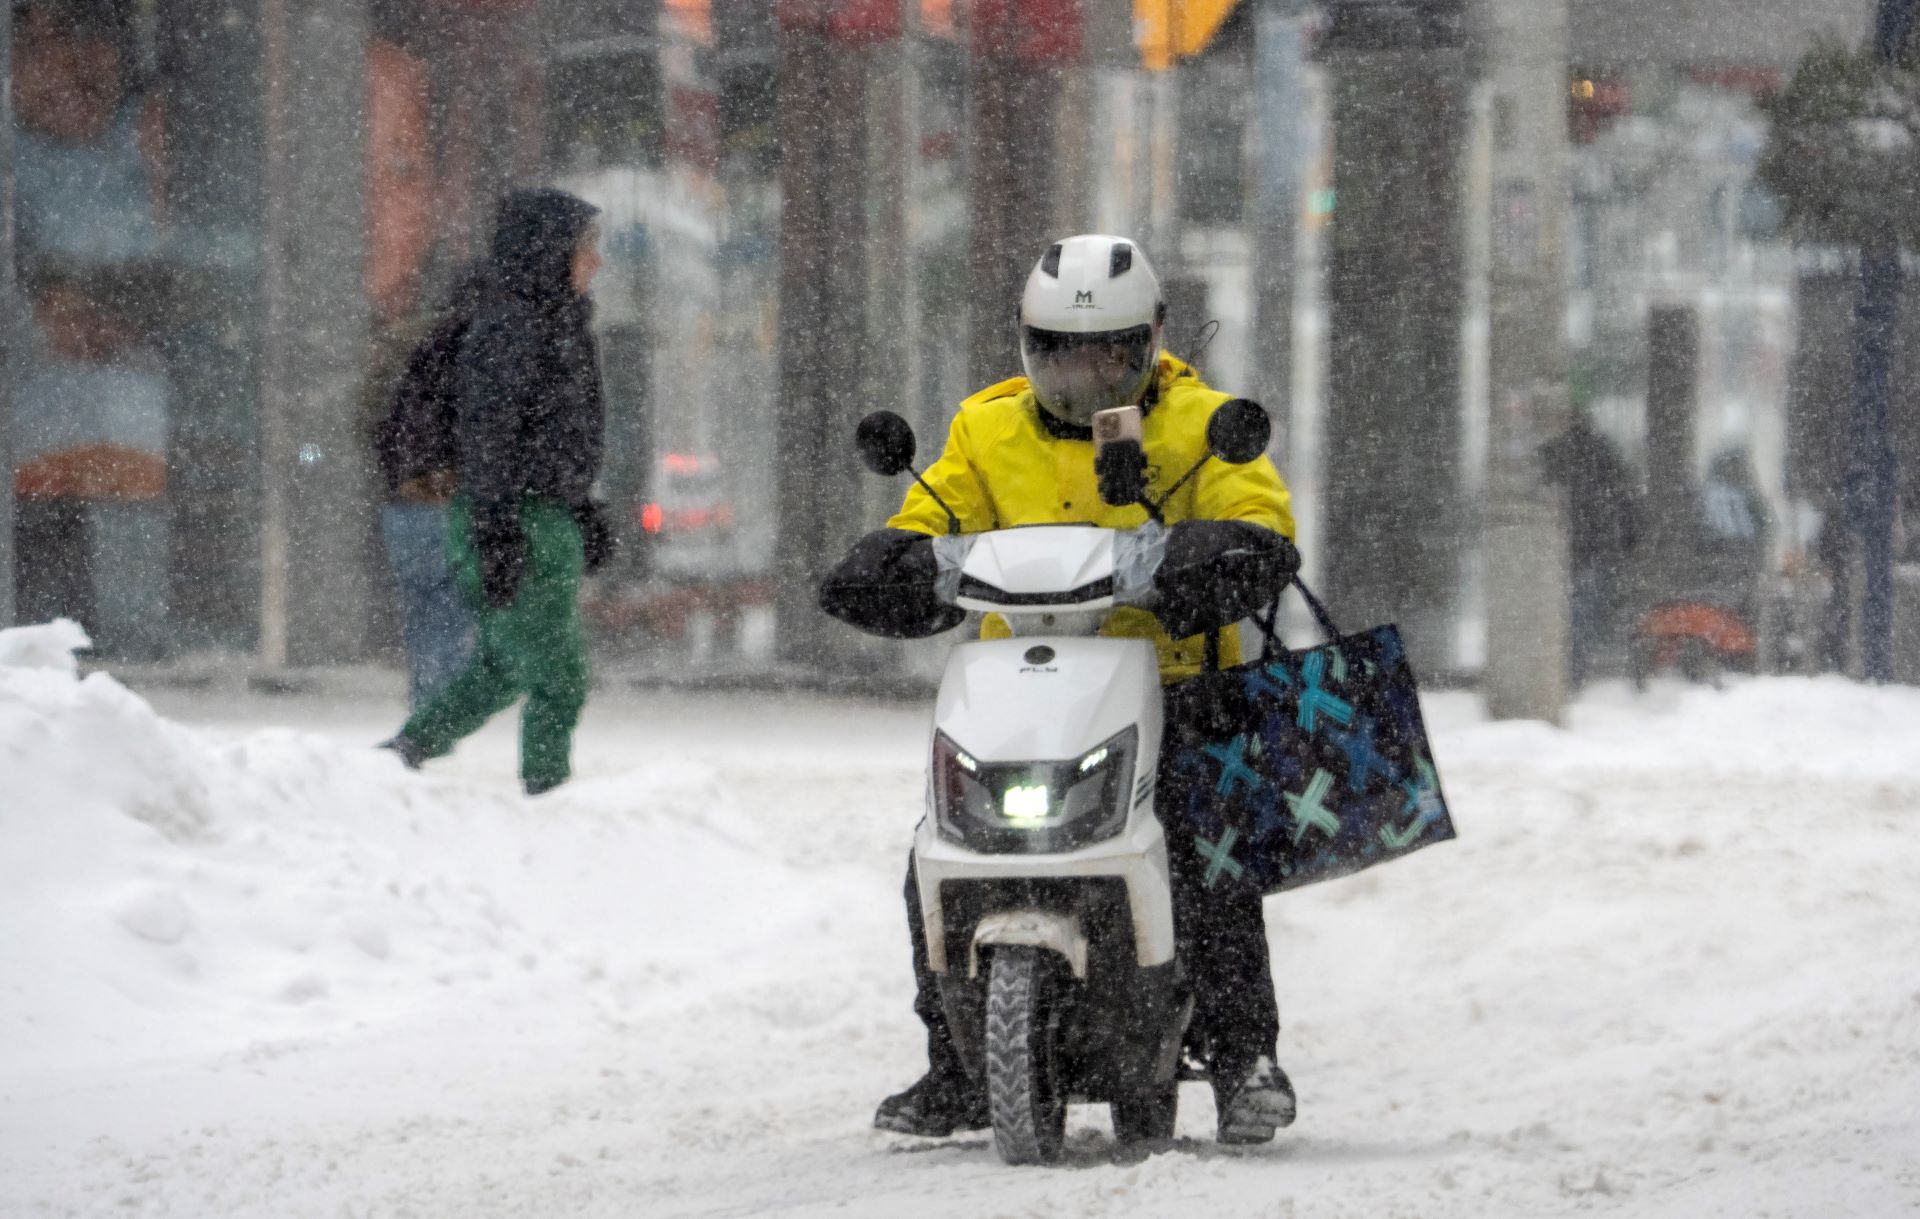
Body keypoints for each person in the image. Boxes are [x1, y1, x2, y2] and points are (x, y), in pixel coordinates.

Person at [822, 235, 1301, 1144]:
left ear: (1154, 338)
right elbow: (932, 515)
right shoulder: (984, 428)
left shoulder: (1203, 423)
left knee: (1210, 852)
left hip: (1173, 687)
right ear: (1026, 345)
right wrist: (894, 558)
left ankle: (1245, 1056)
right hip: (1025, 695)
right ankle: (957, 1064)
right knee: (938, 847)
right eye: (1060, 353)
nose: (1085, 374)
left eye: (1111, 353)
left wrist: (1221, 552)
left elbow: (1260, 516)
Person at [381, 190, 616, 795]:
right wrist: (496, 528)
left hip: (544, 516)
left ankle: (404, 751)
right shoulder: (510, 329)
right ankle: (548, 794)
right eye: (587, 247)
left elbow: (553, 436)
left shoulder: (560, 321)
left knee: (501, 665)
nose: (597, 261)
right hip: (519, 521)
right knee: (558, 677)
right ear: (550, 252)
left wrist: (580, 504)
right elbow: (488, 437)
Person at [371, 265, 487, 709]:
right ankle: (442, 709)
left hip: (403, 502)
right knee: (452, 606)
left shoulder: (403, 346)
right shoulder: (479, 351)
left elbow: (365, 417)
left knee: (420, 608)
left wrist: (398, 471)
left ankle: (425, 698)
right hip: (451, 501)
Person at [1539, 411, 1640, 687]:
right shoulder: (1605, 455)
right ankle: (1573, 669)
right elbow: (1625, 499)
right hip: (1596, 547)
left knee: (1573, 610)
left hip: (1573, 546)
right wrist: (1627, 540)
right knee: (1584, 611)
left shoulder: (1556, 454)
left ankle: (1568, 670)